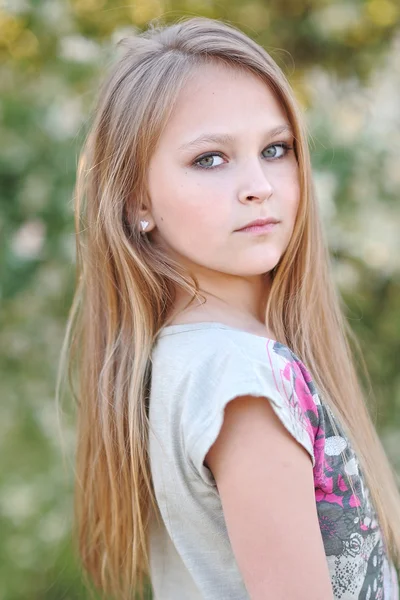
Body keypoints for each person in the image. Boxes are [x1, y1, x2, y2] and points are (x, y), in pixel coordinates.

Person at [59, 16, 400, 600]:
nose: (259, 185)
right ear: (137, 200)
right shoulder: (241, 378)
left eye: (276, 149)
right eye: (210, 159)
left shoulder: (186, 356)